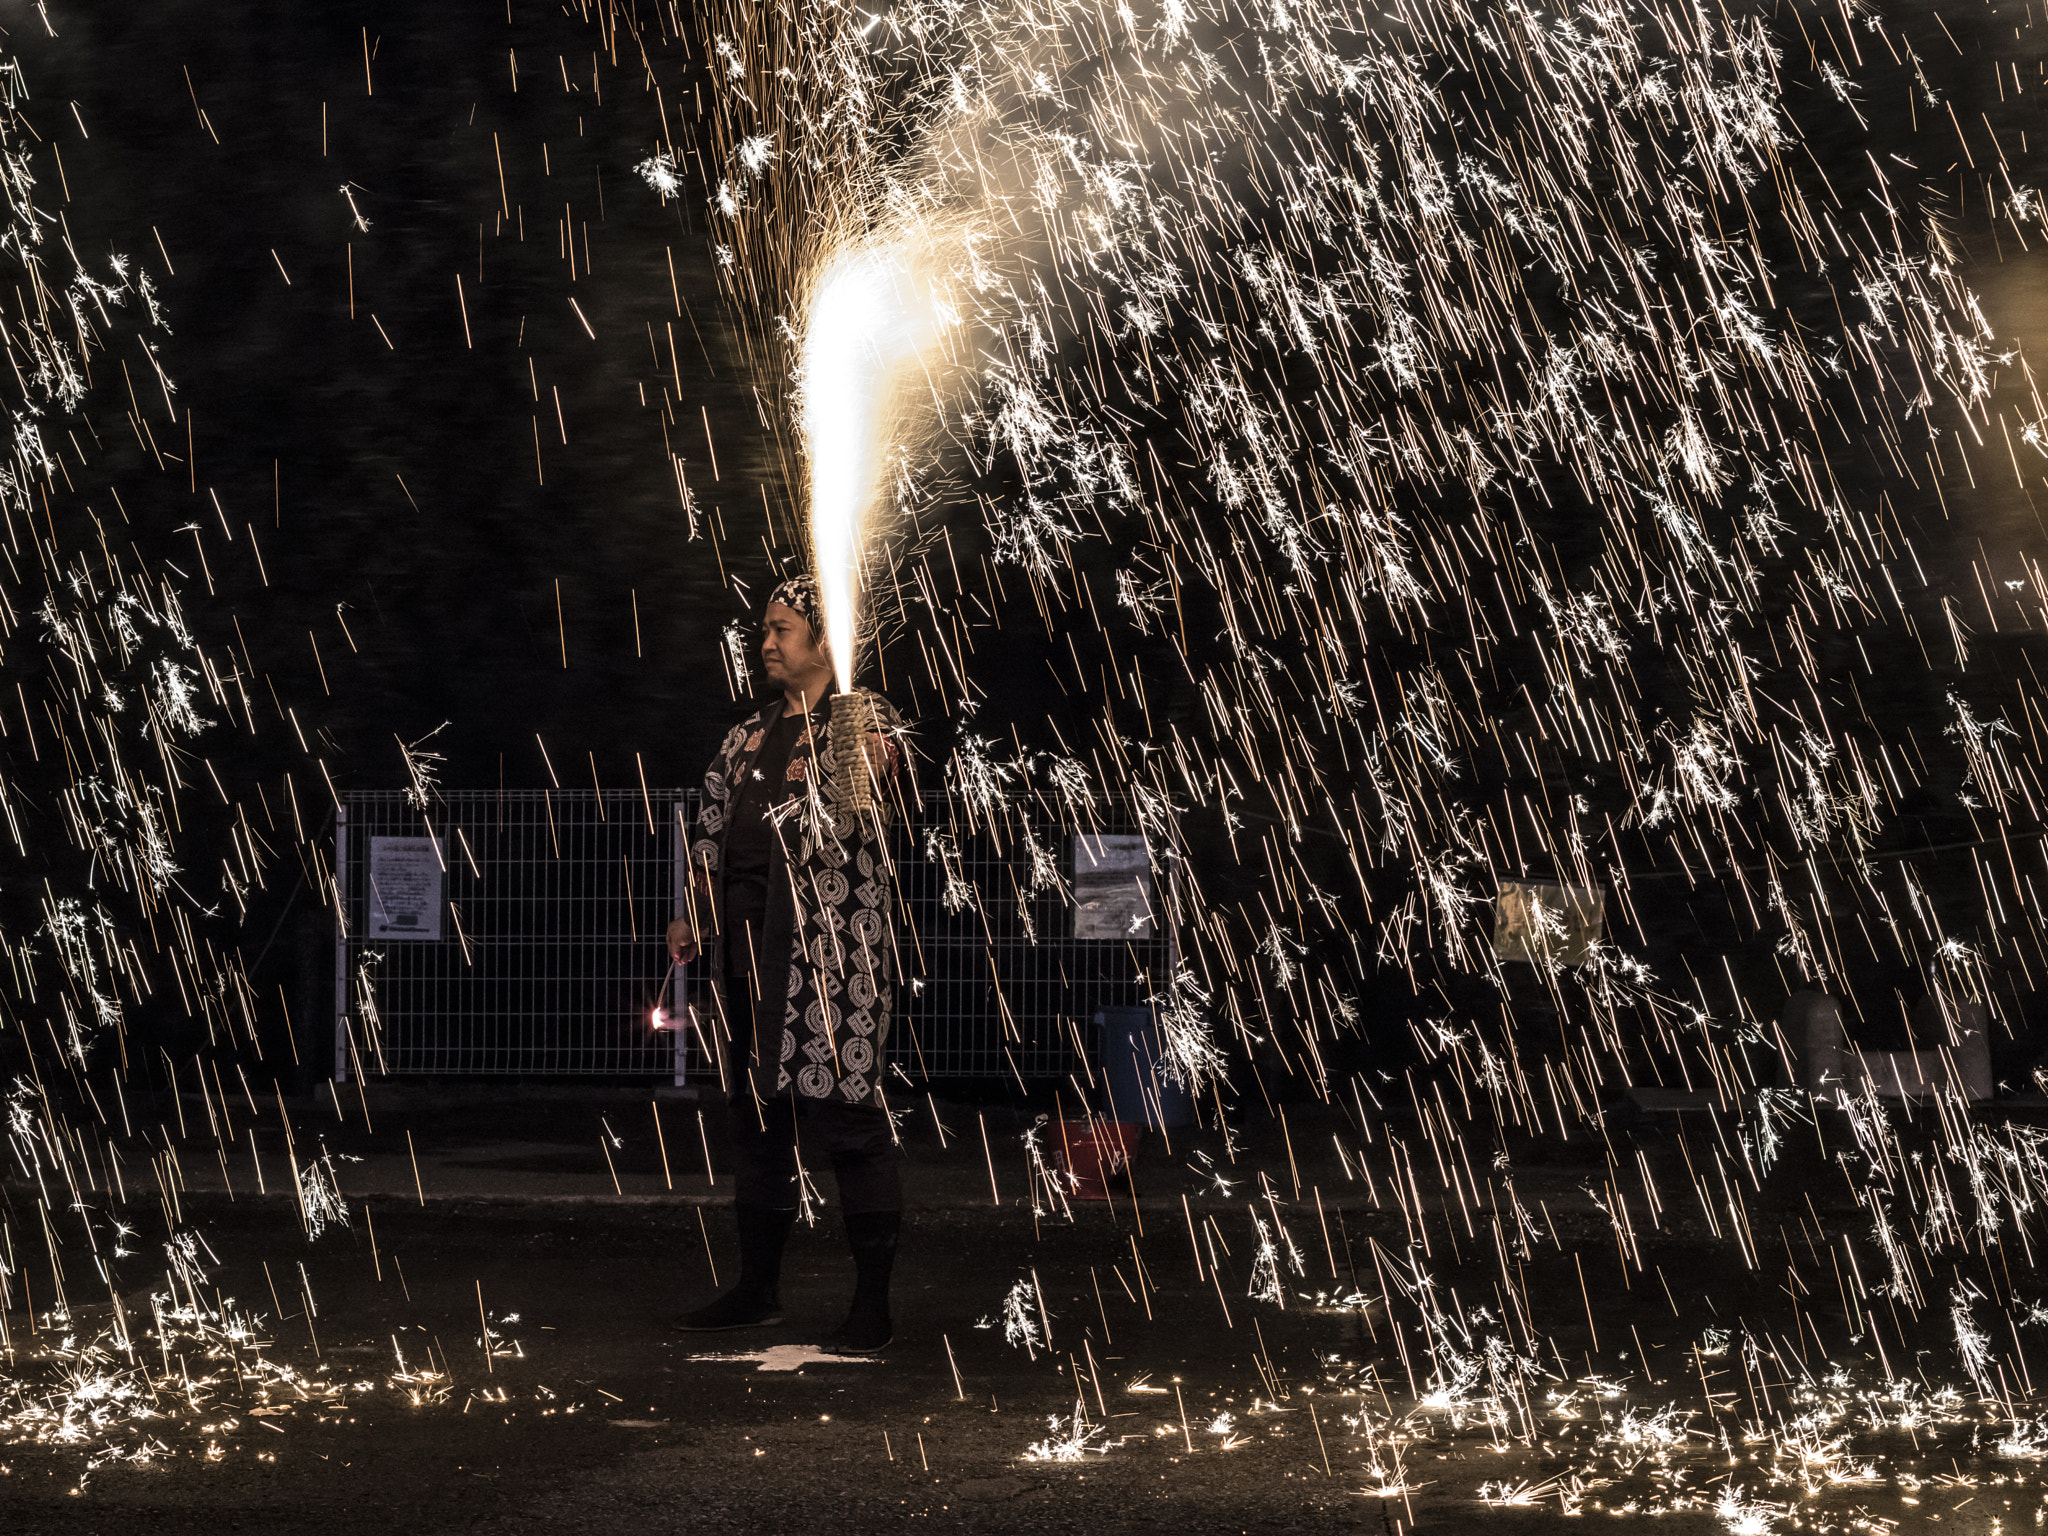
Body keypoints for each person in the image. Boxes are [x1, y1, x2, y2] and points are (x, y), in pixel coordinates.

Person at [667, 575, 908, 1354]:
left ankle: (872, 1305)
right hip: (743, 967)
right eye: (764, 630)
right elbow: (708, 830)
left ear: (826, 639)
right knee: (756, 1126)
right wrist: (694, 909)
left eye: (783, 629)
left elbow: (854, 810)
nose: (766, 644)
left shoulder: (863, 720)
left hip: (831, 974)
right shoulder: (744, 738)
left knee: (848, 1125)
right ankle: (756, 1290)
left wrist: (846, 729)